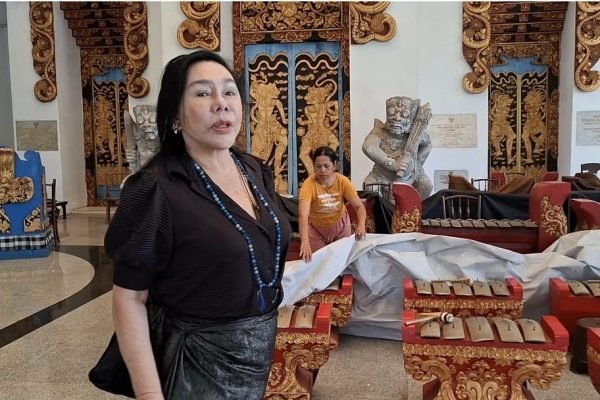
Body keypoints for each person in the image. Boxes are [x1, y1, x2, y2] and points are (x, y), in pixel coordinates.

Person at [104, 50, 291, 400]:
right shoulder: (156, 188)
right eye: (203, 93)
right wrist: (149, 394)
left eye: (229, 91)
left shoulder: (254, 170)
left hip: (257, 353)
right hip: (196, 364)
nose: (221, 104)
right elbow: (129, 298)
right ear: (176, 113)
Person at [297, 146, 366, 262]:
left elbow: (359, 207)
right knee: (319, 262)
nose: (322, 170)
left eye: (326, 166)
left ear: (334, 165)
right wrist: (304, 241)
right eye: (318, 166)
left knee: (341, 261)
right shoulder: (308, 185)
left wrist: (361, 225)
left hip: (340, 226)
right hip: (316, 229)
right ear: (313, 166)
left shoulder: (343, 181)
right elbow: (303, 215)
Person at [362, 96, 433, 200]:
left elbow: (427, 144)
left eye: (404, 115)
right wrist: (392, 164)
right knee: (370, 188)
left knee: (427, 185)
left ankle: (413, 209)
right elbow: (368, 147)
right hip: (382, 175)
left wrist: (416, 164)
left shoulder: (416, 134)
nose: (397, 118)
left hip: (411, 175)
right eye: (391, 113)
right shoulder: (379, 132)